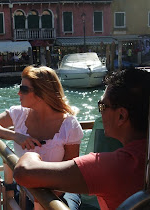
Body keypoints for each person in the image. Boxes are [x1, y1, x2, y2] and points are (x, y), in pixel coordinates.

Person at [14, 68, 150, 210]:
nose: (100, 112)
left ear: (121, 116)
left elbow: (23, 172)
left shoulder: (111, 166)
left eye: (102, 106)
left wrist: (31, 153)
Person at [0, 65, 83, 209]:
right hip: (27, 191)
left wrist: (42, 199)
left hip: (60, 193)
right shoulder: (19, 114)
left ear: (42, 93)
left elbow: (71, 173)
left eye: (23, 89)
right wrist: (15, 135)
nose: (18, 93)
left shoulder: (69, 125)